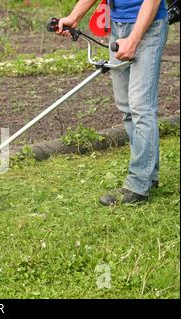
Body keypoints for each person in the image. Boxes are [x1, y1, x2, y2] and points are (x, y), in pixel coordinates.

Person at [56, 0, 169, 206]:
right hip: (118, 25)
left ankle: (137, 185)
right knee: (126, 107)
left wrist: (133, 40)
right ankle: (148, 176)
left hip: (148, 25)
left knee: (141, 107)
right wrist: (74, 17)